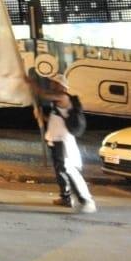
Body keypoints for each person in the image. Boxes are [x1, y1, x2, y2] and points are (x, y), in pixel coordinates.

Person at [43, 77, 96, 213]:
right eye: (51, 83)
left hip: (63, 143)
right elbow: (56, 120)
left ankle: (86, 201)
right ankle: (66, 198)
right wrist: (41, 117)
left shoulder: (63, 97)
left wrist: (28, 84)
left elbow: (41, 94)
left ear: (62, 86)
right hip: (55, 141)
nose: (52, 85)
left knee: (69, 170)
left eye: (55, 83)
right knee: (60, 171)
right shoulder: (57, 102)